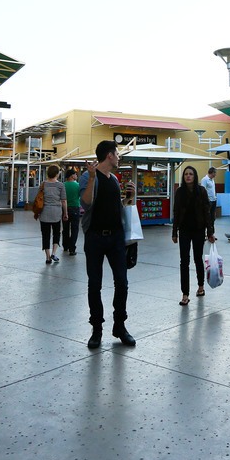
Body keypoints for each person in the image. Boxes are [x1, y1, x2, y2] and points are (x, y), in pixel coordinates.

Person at [82, 140, 137, 349]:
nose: (119, 157)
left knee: (122, 282)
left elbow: (116, 208)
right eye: (117, 153)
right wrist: (92, 178)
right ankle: (96, 329)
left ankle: (120, 326)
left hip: (115, 238)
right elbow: (86, 203)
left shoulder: (114, 179)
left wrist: (128, 199)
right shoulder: (89, 176)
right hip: (95, 237)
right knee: (94, 284)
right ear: (109, 156)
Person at [172, 166, 215, 306]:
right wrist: (174, 232)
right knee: (183, 261)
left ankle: (201, 286)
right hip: (184, 230)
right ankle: (185, 294)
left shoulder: (201, 191)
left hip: (198, 229)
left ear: (195, 176)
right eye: (186, 174)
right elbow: (176, 212)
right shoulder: (179, 192)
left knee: (198, 259)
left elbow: (207, 212)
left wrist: (210, 232)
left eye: (191, 174)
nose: (188, 176)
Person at [39, 165, 68, 265]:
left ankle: (47, 257)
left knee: (45, 235)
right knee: (56, 233)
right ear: (57, 174)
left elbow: (39, 198)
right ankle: (54, 253)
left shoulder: (43, 184)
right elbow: (63, 200)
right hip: (56, 212)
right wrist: (66, 213)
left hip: (44, 212)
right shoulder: (60, 185)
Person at [63, 169, 81, 255]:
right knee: (74, 229)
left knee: (65, 228)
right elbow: (80, 196)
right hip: (75, 208)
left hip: (64, 209)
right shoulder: (78, 185)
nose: (76, 176)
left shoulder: (63, 185)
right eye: (75, 174)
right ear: (71, 176)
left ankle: (65, 245)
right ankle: (72, 248)